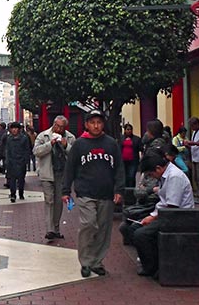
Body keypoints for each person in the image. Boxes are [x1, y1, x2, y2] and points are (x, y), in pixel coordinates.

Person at [62, 110, 124, 278]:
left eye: (99, 122)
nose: (96, 126)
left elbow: (119, 168)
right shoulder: (79, 144)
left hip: (106, 193)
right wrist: (66, 190)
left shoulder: (111, 144)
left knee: (104, 229)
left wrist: (119, 189)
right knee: (89, 224)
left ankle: (97, 262)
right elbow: (70, 169)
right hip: (85, 192)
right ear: (86, 125)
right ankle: (86, 261)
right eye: (92, 122)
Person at [131, 151, 195, 277]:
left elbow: (172, 206)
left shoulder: (174, 176)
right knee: (132, 227)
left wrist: (152, 218)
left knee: (141, 234)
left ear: (158, 168)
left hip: (178, 217)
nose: (153, 177)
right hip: (165, 214)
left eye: (152, 174)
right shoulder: (165, 176)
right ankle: (150, 262)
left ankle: (152, 267)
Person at [33, 115, 75, 240]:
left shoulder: (70, 137)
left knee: (58, 202)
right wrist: (49, 144)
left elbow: (75, 155)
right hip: (47, 173)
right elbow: (36, 151)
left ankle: (56, 228)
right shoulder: (43, 136)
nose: (59, 129)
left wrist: (66, 145)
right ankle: (49, 229)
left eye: (62, 127)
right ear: (53, 124)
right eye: (57, 126)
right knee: (49, 201)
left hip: (62, 174)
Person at [4, 122, 32, 202]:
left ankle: (21, 193)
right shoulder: (9, 138)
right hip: (11, 162)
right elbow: (7, 150)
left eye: (16, 128)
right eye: (12, 128)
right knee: (12, 179)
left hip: (21, 162)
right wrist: (7, 161)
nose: (14, 130)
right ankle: (13, 194)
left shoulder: (24, 138)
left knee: (21, 179)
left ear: (19, 129)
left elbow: (27, 150)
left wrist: (26, 161)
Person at [184, 117, 199, 201]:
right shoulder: (194, 132)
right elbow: (194, 147)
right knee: (196, 177)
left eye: (192, 125)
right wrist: (188, 146)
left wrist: (193, 143)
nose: (191, 127)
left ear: (197, 124)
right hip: (195, 157)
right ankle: (198, 194)